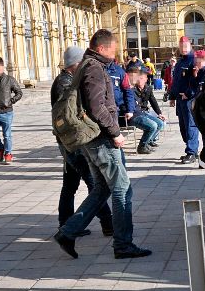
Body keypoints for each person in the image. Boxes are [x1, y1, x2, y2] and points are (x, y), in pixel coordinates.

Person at [52, 28, 151, 260]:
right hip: (101, 139)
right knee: (122, 189)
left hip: (91, 139)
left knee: (102, 189)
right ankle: (123, 244)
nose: (115, 54)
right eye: (113, 49)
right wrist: (115, 133)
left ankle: (68, 232)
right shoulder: (95, 69)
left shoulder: (87, 65)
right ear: (102, 48)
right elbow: (97, 107)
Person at [51, 45, 114, 238]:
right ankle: (107, 224)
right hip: (74, 143)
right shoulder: (65, 83)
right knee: (95, 185)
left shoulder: (66, 80)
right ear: (75, 64)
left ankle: (66, 223)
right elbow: (72, 116)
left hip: (69, 142)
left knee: (70, 184)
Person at [169, 36, 200, 164]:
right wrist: (172, 96)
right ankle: (192, 149)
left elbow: (197, 82)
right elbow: (175, 81)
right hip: (179, 100)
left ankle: (191, 152)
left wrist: (189, 94)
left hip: (189, 99)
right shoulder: (180, 62)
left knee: (190, 125)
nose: (183, 49)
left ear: (190, 46)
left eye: (186, 46)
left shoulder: (195, 61)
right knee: (183, 127)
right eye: (181, 46)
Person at [127, 63, 166, 154]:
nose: (146, 79)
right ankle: (142, 146)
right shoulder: (132, 88)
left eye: (145, 78)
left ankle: (148, 142)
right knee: (153, 125)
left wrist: (159, 113)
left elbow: (153, 101)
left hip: (143, 111)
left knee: (160, 123)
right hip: (135, 113)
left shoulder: (148, 88)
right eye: (144, 77)